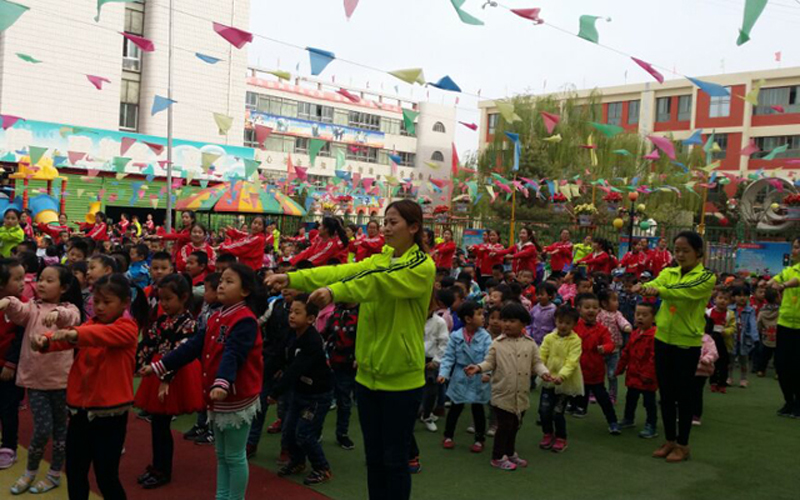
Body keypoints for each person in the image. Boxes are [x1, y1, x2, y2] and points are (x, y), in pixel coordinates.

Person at [268, 199, 434, 500]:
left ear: (414, 227)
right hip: (367, 377)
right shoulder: (380, 258)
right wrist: (292, 277)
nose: (386, 228)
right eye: (385, 221)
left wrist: (334, 292)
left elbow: (375, 284)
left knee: (395, 460)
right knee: (374, 459)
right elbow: (339, 271)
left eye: (393, 222)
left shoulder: (421, 266)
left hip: (402, 381)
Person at [141, 264, 264, 500]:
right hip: (218, 395)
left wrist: (222, 382)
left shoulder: (245, 320)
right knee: (222, 455)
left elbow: (234, 354)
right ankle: (222, 496)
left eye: (229, 281)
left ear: (245, 290)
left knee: (234, 456)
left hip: (235, 396)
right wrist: (160, 365)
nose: (221, 285)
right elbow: (193, 346)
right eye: (221, 281)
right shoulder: (217, 316)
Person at [31, 274, 146, 500]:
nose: (99, 307)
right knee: (75, 472)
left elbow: (95, 336)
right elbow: (74, 337)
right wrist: (46, 340)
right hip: (80, 411)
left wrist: (73, 333)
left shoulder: (127, 327)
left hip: (110, 415)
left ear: (125, 303)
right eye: (96, 301)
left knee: (106, 476)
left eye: (107, 302)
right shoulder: (91, 324)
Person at [1, 265, 82, 494]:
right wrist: (8, 301)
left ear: (64, 287)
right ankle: (30, 472)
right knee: (43, 429)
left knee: (60, 431)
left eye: (49, 280)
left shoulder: (70, 308)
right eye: (40, 279)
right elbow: (20, 311)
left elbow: (72, 318)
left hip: (61, 381)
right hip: (36, 381)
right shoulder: (33, 307)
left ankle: (54, 473)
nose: (42, 284)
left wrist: (58, 313)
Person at [639, 231, 716, 462]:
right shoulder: (669, 272)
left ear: (698, 253)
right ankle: (670, 440)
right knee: (666, 394)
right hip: (663, 339)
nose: (680, 255)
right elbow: (657, 282)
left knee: (684, 395)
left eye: (685, 251)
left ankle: (683, 444)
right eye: (677, 250)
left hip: (687, 343)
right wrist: (645, 287)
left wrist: (658, 291)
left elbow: (683, 292)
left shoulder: (706, 277)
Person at [134, 274, 205, 489]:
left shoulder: (189, 324)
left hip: (174, 373)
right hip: (160, 370)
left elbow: (180, 353)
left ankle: (163, 470)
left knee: (162, 425)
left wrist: (165, 379)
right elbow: (149, 342)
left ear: (183, 297)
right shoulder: (162, 320)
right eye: (161, 299)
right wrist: (137, 363)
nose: (163, 303)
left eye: (168, 299)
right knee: (158, 424)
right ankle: (158, 467)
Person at [464, 302, 550, 470]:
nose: (507, 324)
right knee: (504, 426)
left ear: (523, 323)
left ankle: (509, 453)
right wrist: (478, 368)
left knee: (515, 425)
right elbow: (489, 362)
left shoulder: (530, 343)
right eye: (505, 320)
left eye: (512, 321)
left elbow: (537, 363)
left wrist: (544, 373)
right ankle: (497, 457)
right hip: (502, 393)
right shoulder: (497, 343)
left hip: (521, 394)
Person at [269, 296, 334, 485]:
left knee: (305, 433)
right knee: (288, 431)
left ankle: (322, 468)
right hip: (300, 391)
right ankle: (297, 462)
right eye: (290, 311)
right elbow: (278, 357)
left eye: (297, 313)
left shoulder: (312, 340)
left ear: (311, 318)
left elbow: (295, 369)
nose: (291, 316)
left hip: (317, 395)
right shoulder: (291, 334)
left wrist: (275, 392)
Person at [438, 301, 492, 453]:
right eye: (479, 314)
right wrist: (443, 373)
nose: (483, 317)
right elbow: (448, 357)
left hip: (478, 375)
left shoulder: (486, 337)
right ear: (468, 319)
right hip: (460, 375)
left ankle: (479, 439)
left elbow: (490, 358)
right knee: (455, 407)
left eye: (483, 314)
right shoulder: (456, 336)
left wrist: (487, 373)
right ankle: (448, 435)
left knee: (478, 409)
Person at [571, 293, 620, 434]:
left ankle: (613, 422)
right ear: (579, 309)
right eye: (587, 307)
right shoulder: (574, 327)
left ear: (599, 310)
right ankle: (571, 410)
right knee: (572, 393)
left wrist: (605, 348)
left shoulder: (602, 329)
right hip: (578, 371)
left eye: (594, 307)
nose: (591, 310)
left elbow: (610, 344)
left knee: (603, 399)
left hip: (595, 372)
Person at [537, 305, 582, 453]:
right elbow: (541, 355)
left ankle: (561, 437)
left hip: (565, 382)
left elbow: (572, 361)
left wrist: (562, 376)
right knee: (544, 410)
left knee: (558, 412)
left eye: (568, 323)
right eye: (560, 322)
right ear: (555, 321)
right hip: (548, 379)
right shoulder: (549, 338)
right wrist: (543, 371)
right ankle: (547, 433)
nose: (563, 326)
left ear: (574, 324)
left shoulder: (575, 341)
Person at [767, 235, 800, 418]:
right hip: (785, 323)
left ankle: (798, 403)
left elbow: (796, 281)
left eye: (797, 247)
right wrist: (769, 284)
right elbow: (774, 281)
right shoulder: (789, 270)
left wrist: (783, 285)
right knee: (782, 364)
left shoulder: (793, 275)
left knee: (797, 365)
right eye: (794, 247)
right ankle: (789, 401)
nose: (794, 250)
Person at [616, 303, 659, 439]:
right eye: (637, 314)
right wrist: (620, 367)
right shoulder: (634, 333)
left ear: (653, 318)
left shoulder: (655, 336)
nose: (640, 317)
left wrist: (648, 374)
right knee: (631, 398)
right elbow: (626, 352)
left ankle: (651, 425)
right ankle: (628, 418)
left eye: (645, 315)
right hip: (633, 375)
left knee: (649, 402)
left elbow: (654, 358)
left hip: (647, 378)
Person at [321, 300, 359, 450]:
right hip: (330, 361)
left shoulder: (361, 312)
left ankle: (342, 434)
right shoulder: (336, 311)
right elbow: (326, 333)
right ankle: (316, 431)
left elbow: (365, 337)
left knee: (344, 401)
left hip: (348, 364)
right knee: (323, 399)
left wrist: (359, 356)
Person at [0, 259, 25, 471]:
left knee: (8, 407)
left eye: (23, 278)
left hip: (10, 368)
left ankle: (9, 447)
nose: (23, 283)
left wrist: (11, 363)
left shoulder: (22, 306)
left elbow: (21, 338)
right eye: (17, 279)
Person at [598, 288, 632, 403]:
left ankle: (612, 395)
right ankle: (595, 393)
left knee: (612, 374)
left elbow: (622, 321)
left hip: (614, 350)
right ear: (604, 303)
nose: (617, 302)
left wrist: (626, 326)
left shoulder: (617, 314)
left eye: (617, 300)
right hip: (601, 348)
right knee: (597, 373)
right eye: (614, 300)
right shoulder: (599, 313)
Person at [421, 303, 449, 432]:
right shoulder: (414, 319)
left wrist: (436, 361)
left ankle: (427, 416)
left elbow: (443, 343)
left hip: (431, 360)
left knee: (431, 391)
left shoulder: (440, 322)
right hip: (415, 359)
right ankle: (413, 415)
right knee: (413, 390)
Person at [729, 286, 759, 388]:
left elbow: (753, 324)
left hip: (745, 339)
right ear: (734, 297)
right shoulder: (730, 309)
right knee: (730, 361)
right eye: (739, 295)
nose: (742, 298)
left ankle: (744, 379)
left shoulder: (750, 310)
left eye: (745, 295)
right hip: (732, 338)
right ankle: (729, 377)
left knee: (744, 361)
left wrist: (755, 337)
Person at [692, 317, 719, 426]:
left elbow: (713, 353)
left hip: (702, 371)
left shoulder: (708, 339)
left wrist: (706, 359)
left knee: (697, 393)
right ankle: (685, 413)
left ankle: (696, 415)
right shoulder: (688, 336)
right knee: (685, 392)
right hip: (688, 369)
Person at [707, 289, 734, 393]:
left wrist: (726, 331)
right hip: (711, 342)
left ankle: (722, 383)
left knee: (724, 364)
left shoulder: (730, 314)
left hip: (724, 341)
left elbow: (733, 327)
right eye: (720, 298)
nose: (723, 301)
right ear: (714, 299)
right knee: (712, 363)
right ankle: (713, 382)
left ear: (729, 301)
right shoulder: (708, 312)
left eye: (726, 299)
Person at [755, 287, 780, 377]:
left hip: (766, 335)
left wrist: (760, 330)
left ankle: (761, 370)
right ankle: (778, 373)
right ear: (777, 298)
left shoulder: (762, 310)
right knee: (778, 356)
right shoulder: (780, 310)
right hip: (778, 335)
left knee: (764, 355)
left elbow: (758, 322)